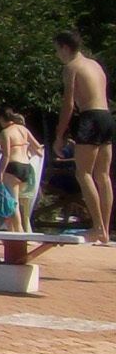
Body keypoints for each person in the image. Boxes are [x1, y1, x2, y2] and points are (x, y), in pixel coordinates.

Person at [56, 30, 114, 245]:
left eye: (57, 50)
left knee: (84, 174)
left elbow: (68, 104)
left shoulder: (72, 67)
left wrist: (59, 135)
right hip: (107, 116)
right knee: (103, 175)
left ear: (64, 47)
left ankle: (98, 227)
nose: (57, 55)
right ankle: (105, 230)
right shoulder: (95, 65)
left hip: (90, 117)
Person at [0, 110, 43, 234]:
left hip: (13, 166)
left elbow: (6, 155)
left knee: (13, 202)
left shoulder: (5, 132)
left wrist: (0, 174)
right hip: (26, 167)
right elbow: (38, 148)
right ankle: (16, 230)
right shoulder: (23, 129)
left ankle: (19, 232)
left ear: (3, 119)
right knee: (21, 202)